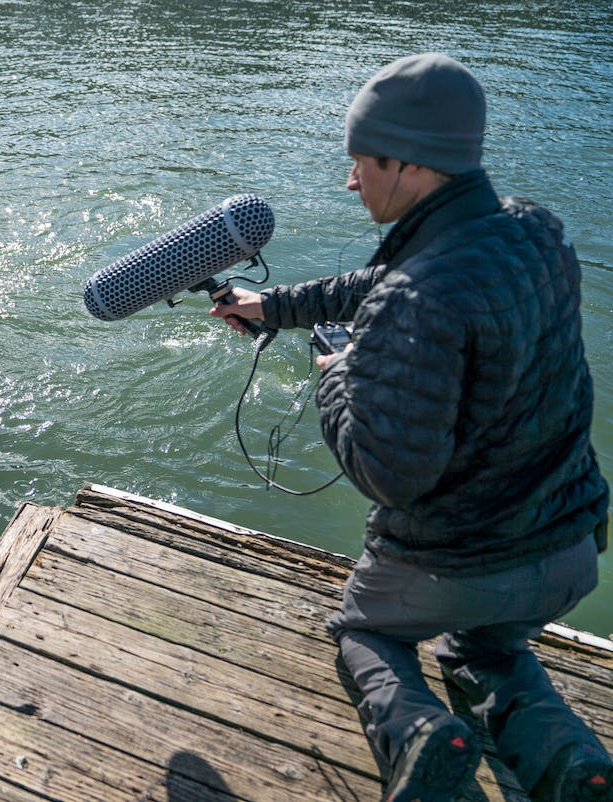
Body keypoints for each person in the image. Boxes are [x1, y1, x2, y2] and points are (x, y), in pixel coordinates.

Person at [212, 53, 611, 802]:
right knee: (488, 652)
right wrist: (275, 306)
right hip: (568, 549)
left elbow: (387, 473)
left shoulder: (414, 297)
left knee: (366, 635)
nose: (351, 180)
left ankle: (423, 734)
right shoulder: (534, 231)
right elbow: (380, 282)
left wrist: (336, 381)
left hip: (460, 562)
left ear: (410, 164)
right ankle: (570, 761)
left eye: (361, 162)